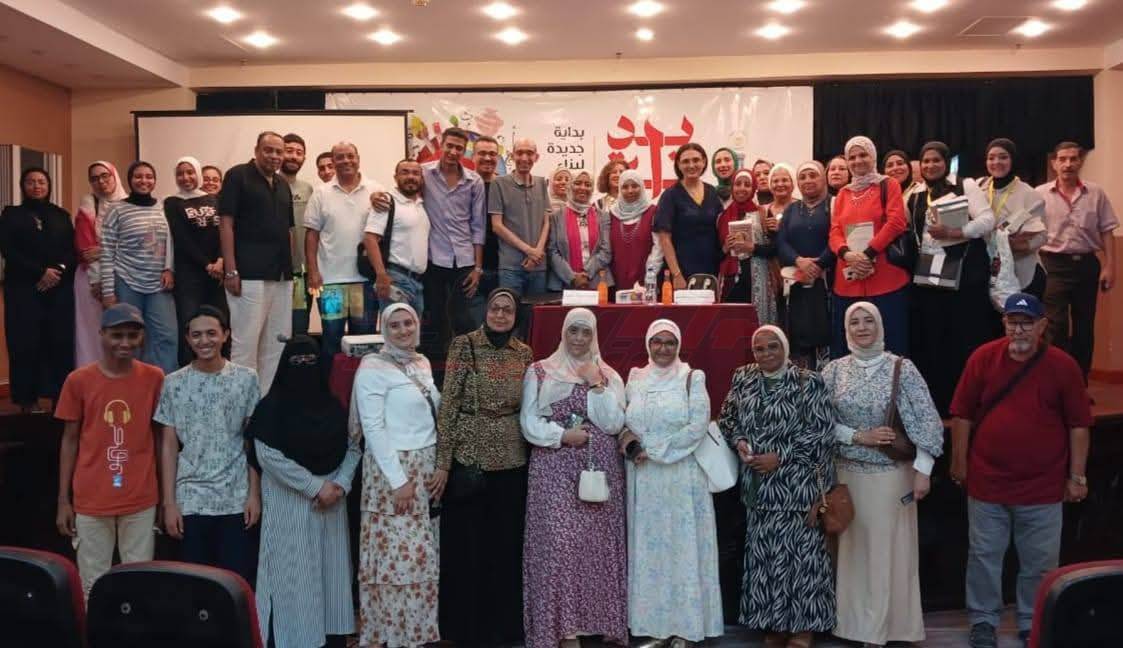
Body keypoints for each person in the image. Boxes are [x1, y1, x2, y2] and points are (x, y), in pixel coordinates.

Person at [949, 292, 1092, 648]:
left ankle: (1034, 621)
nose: (1019, 330)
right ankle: (983, 622)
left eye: (1027, 323)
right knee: (983, 558)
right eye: (1013, 322)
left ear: (1042, 326)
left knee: (1040, 564)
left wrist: (1077, 477)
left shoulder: (1063, 366)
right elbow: (962, 414)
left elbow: (1078, 425)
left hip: (1043, 487)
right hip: (987, 483)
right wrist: (959, 462)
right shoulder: (983, 358)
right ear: (1004, 323)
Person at [821, 302, 944, 646]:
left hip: (890, 478)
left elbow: (928, 422)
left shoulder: (901, 369)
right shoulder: (833, 371)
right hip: (846, 477)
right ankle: (853, 627)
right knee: (853, 554)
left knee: (887, 553)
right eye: (854, 322)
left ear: (880, 326)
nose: (862, 328)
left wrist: (923, 471)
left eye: (868, 321)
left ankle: (885, 629)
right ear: (846, 329)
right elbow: (818, 423)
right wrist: (858, 436)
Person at [719, 325, 836, 648]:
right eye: (759, 348)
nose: (766, 353)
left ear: (785, 347)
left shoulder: (808, 381)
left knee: (803, 560)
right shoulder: (743, 378)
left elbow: (822, 433)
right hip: (759, 489)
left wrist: (780, 457)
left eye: (773, 346)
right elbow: (727, 420)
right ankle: (774, 624)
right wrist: (739, 441)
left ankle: (802, 628)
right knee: (766, 560)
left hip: (797, 488)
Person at [520, 307, 628, 648]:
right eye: (573, 331)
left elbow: (613, 424)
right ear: (563, 333)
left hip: (598, 472)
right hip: (554, 471)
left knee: (595, 549)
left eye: (586, 332)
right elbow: (529, 422)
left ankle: (596, 624)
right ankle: (564, 631)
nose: (579, 339)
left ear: (594, 336)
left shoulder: (608, 375)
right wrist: (562, 436)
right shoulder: (540, 371)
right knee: (559, 548)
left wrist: (595, 384)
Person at [434, 288, 534, 647]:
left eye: (508, 310)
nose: (501, 315)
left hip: (511, 459)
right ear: (485, 311)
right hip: (470, 458)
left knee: (504, 547)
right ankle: (467, 631)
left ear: (516, 315)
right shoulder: (465, 346)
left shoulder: (523, 353)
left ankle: (503, 629)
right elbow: (449, 405)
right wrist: (443, 464)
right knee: (469, 550)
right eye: (495, 308)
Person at [249, 334, 360, 648]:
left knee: (330, 583)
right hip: (290, 506)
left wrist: (339, 485)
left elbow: (353, 447)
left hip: (332, 506)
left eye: (310, 361)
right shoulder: (270, 409)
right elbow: (267, 455)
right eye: (296, 362)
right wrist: (315, 486)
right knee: (292, 583)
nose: (304, 367)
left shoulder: (334, 407)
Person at [620, 319, 723, 646]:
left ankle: (686, 629)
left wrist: (657, 451)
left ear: (678, 346)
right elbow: (624, 420)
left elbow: (697, 425)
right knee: (651, 555)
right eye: (657, 341)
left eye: (670, 342)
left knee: (683, 550)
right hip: (645, 479)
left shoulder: (692, 377)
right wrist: (632, 444)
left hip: (682, 477)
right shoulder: (635, 377)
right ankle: (656, 629)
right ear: (648, 344)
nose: (663, 348)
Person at [54, 303, 164, 596]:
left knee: (139, 585)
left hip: (140, 497)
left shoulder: (154, 378)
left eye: (132, 335)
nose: (125, 343)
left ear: (142, 337)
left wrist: (166, 498)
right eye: (117, 335)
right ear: (101, 334)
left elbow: (161, 438)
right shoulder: (78, 380)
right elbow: (69, 440)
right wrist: (63, 500)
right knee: (93, 585)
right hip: (91, 499)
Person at [353, 303, 442, 648]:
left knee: (421, 561)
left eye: (409, 323)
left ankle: (416, 636)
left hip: (425, 468)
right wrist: (398, 480)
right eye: (395, 325)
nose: (404, 330)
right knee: (395, 561)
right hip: (393, 472)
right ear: (384, 330)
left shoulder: (421, 362)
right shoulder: (372, 367)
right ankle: (391, 637)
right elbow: (373, 427)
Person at [155, 306, 260, 583]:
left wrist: (254, 495)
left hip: (235, 497)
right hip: (190, 498)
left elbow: (252, 441)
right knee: (195, 585)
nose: (204, 341)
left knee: (236, 583)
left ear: (225, 335)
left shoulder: (247, 379)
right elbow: (168, 446)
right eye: (196, 335)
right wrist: (169, 503)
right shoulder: (173, 383)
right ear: (187, 339)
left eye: (211, 333)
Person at [374, 127, 485, 373]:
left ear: (464, 151)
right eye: (450, 146)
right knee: (435, 319)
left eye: (459, 148)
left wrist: (478, 267)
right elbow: (402, 188)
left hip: (464, 260)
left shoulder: (474, 181)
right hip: (434, 259)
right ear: (441, 145)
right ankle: (435, 373)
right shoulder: (424, 173)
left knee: (463, 318)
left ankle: (466, 371)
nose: (453, 152)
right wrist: (377, 196)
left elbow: (478, 226)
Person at [908, 140, 999, 416]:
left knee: (964, 336)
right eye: (926, 161)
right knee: (934, 338)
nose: (931, 165)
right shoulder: (915, 194)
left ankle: (969, 402)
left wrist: (957, 233)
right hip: (929, 276)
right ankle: (939, 401)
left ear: (946, 163)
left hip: (965, 275)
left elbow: (988, 220)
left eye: (936, 160)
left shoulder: (965, 185)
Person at [219, 131, 294, 393]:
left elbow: (288, 230)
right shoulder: (237, 176)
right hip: (248, 274)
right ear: (256, 150)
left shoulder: (283, 184)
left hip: (281, 275)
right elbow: (226, 223)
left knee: (276, 344)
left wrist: (291, 271)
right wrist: (231, 270)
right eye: (268, 150)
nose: (274, 156)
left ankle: (264, 405)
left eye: (279, 151)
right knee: (246, 344)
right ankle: (241, 405)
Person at [1036, 141, 1118, 381]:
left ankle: (1079, 384)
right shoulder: (1039, 194)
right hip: (1052, 265)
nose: (1068, 164)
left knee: (1084, 327)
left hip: (1086, 265)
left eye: (1073, 159)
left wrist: (1110, 266)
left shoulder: (1096, 193)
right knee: (1055, 326)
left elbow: (1107, 230)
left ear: (1080, 162)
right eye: (1062, 159)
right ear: (1054, 163)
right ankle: (1056, 382)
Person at [0, 167, 76, 412]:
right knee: (25, 344)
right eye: (30, 182)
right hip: (23, 289)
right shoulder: (11, 215)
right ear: (23, 186)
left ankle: (60, 399)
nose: (36, 186)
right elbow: (8, 250)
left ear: (48, 185)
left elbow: (72, 250)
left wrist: (57, 270)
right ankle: (27, 400)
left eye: (41, 181)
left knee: (59, 342)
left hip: (58, 288)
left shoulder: (61, 215)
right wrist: (40, 272)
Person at [828, 136, 910, 358]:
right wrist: (847, 254)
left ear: (873, 156)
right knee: (849, 346)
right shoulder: (842, 194)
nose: (857, 161)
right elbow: (834, 231)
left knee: (891, 343)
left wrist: (867, 253)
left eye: (863, 155)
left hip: (885, 279)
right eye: (852, 157)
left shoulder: (888, 184)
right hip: (849, 280)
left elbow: (896, 222)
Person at [304, 142, 380, 366]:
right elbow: (311, 234)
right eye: (340, 157)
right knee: (331, 339)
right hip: (331, 285)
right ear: (334, 161)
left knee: (364, 342)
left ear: (358, 158)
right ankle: (331, 386)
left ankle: (361, 385)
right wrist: (313, 271)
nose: (346, 160)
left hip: (364, 283)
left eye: (350, 156)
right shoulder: (321, 193)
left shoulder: (375, 190)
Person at [99, 161, 178, 374]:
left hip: (159, 284)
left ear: (155, 180)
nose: (144, 180)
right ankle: (129, 384)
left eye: (149, 176)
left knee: (167, 337)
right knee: (128, 337)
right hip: (127, 281)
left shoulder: (164, 206)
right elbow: (106, 252)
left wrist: (169, 268)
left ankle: (162, 386)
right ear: (129, 180)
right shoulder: (116, 209)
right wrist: (108, 292)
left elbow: (171, 241)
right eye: (138, 176)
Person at [165, 156, 226, 366]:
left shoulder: (215, 200)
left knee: (219, 324)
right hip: (189, 276)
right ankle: (189, 371)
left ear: (198, 173)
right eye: (180, 173)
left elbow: (224, 232)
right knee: (190, 324)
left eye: (190, 172)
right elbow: (181, 238)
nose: (185, 177)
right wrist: (207, 264)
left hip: (218, 274)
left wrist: (220, 260)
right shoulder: (172, 202)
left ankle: (218, 370)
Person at [778, 161, 835, 370]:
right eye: (802, 177)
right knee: (800, 336)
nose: (808, 180)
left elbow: (838, 237)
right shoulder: (791, 209)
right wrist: (799, 260)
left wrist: (819, 264)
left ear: (823, 178)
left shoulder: (834, 205)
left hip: (827, 281)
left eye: (813, 175)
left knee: (826, 334)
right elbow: (781, 242)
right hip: (797, 283)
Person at [976, 138, 1047, 299]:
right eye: (991, 158)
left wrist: (1018, 246)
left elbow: (1043, 236)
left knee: (1017, 315)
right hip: (986, 272)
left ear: (1013, 160)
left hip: (1021, 273)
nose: (996, 162)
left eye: (1003, 157)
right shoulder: (979, 188)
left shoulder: (1030, 195)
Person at [74, 161, 127, 367]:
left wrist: (104, 250)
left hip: (124, 275)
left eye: (105, 176)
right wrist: (97, 281)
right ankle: (93, 377)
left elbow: (136, 245)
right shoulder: (89, 204)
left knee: (122, 328)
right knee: (92, 332)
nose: (101, 182)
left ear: (114, 176)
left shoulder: (130, 205)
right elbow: (86, 249)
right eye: (94, 178)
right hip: (90, 279)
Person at [363, 158, 429, 315]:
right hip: (395, 280)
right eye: (405, 172)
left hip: (417, 282)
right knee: (396, 329)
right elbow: (370, 238)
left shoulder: (421, 205)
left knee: (412, 330)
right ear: (395, 177)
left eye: (415, 173)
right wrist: (381, 275)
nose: (410, 177)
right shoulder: (386, 201)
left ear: (421, 179)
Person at [655, 143, 725, 288]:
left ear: (704, 162)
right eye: (686, 161)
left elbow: (720, 229)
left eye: (696, 160)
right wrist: (676, 274)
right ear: (678, 165)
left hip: (711, 270)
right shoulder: (670, 195)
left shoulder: (712, 192)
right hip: (681, 272)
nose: (691, 165)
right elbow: (664, 238)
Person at [490, 137, 552, 296]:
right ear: (512, 156)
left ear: (536, 157)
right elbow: (497, 226)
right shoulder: (498, 183)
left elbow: (546, 222)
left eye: (529, 153)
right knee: (510, 309)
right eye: (520, 153)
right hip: (510, 267)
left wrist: (537, 252)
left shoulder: (541, 183)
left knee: (537, 311)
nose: (524, 158)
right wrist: (529, 250)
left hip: (538, 265)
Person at [717, 169, 777, 323]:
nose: (742, 188)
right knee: (731, 327)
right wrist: (725, 248)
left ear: (753, 188)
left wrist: (753, 248)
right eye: (738, 184)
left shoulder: (763, 213)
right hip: (730, 282)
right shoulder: (722, 216)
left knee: (757, 325)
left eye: (747, 185)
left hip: (758, 280)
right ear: (732, 187)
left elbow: (775, 249)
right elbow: (715, 255)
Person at [548, 170, 614, 291]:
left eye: (588, 185)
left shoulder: (603, 216)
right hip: (563, 282)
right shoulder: (556, 217)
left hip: (597, 281)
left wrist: (586, 273)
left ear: (592, 189)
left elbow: (606, 251)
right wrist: (572, 277)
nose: (583, 188)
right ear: (570, 186)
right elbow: (552, 251)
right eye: (577, 183)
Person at [282, 133, 316, 336]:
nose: (293, 156)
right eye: (289, 151)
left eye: (298, 152)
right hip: (273, 273)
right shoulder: (268, 185)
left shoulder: (307, 189)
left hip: (300, 274)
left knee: (299, 327)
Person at [609, 169, 663, 293]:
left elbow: (659, 247)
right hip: (617, 279)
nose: (630, 190)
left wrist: (650, 274)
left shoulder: (653, 211)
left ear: (642, 187)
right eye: (625, 187)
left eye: (635, 186)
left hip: (647, 278)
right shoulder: (612, 214)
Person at [473, 135, 503, 320]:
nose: (487, 158)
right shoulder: (464, 185)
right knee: (473, 321)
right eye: (482, 153)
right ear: (473, 156)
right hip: (471, 268)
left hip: (503, 267)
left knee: (501, 321)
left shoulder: (506, 185)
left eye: (492, 154)